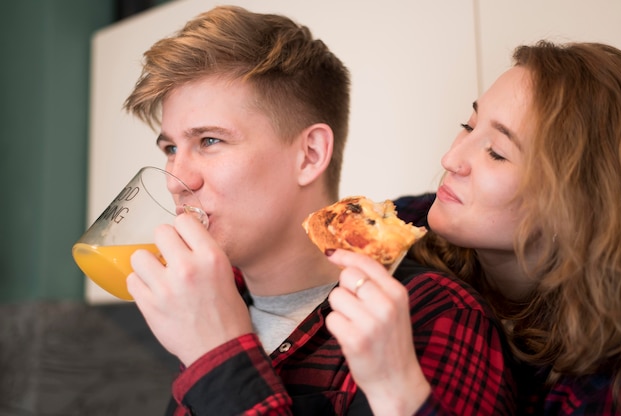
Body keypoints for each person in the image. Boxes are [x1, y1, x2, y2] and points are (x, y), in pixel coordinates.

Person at [121, 5, 515, 415]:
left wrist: (218, 357)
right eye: (170, 148)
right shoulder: (206, 301)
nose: (175, 178)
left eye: (209, 141)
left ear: (310, 155)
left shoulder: (432, 315)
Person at [336, 40, 621, 414]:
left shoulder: (605, 381)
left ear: (576, 206)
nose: (450, 158)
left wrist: (398, 390)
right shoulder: (406, 223)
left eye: (496, 153)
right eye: (467, 126)